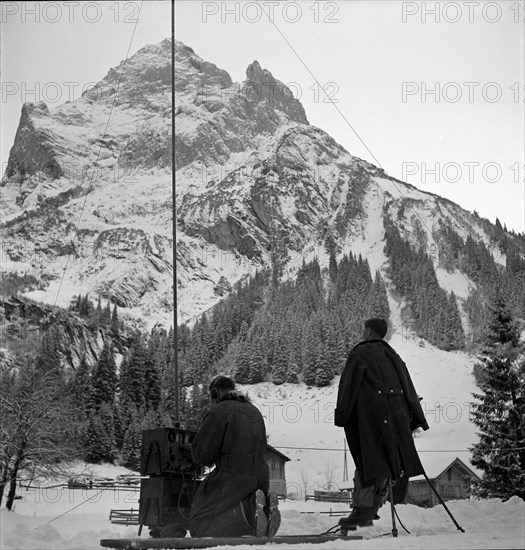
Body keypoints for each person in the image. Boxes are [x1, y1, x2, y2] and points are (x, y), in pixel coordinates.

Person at [334, 318, 429, 530]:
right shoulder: (394, 356)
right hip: (397, 419)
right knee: (386, 462)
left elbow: (348, 386)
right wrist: (415, 418)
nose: (362, 333)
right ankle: (369, 510)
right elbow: (409, 387)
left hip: (372, 419)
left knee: (368, 461)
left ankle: (363, 510)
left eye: (363, 329)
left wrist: (342, 415)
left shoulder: (360, 352)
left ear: (369, 331)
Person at [189, 375, 280, 538]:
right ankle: (263, 510)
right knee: (229, 511)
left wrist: (193, 451)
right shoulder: (255, 411)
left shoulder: (218, 411)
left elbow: (203, 455)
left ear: (215, 393)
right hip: (262, 479)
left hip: (233, 477)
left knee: (198, 522)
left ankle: (251, 510)